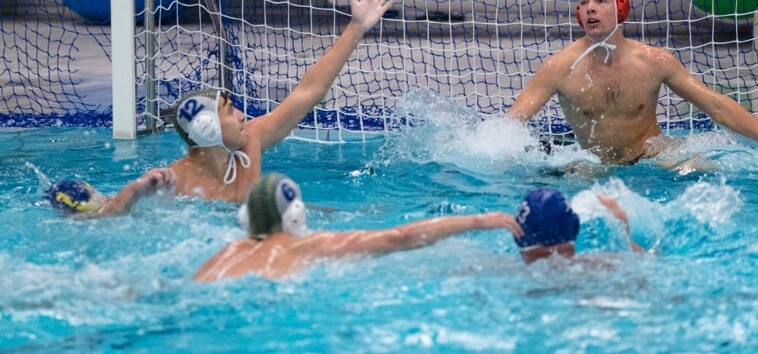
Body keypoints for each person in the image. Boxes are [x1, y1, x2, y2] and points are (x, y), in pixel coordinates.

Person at [85, 0, 395, 214]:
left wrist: (356, 27)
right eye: (230, 111)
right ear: (209, 130)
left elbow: (308, 92)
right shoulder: (173, 183)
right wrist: (135, 191)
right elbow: (106, 219)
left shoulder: (251, 139)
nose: (243, 116)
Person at [507, 0, 758, 166]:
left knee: (700, 171)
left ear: (619, 9)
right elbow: (512, 123)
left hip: (651, 157)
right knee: (574, 185)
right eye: (583, 3)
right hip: (594, 164)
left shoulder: (654, 62)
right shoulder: (558, 68)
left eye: (599, 1)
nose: (590, 8)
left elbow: (716, 106)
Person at [193, 173, 524, 281]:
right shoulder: (308, 244)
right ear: (294, 214)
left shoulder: (226, 252)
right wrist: (480, 221)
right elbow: (400, 237)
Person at [514, 187, 643, 264]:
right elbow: (647, 258)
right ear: (575, 227)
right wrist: (624, 231)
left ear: (518, 232)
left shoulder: (504, 268)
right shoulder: (604, 264)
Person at [44, 168, 175, 217]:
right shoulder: (83, 217)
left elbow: (117, 200)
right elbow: (116, 209)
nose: (100, 195)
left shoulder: (68, 216)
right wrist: (138, 186)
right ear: (87, 204)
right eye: (94, 193)